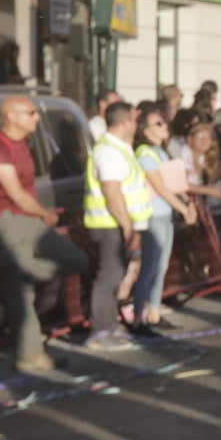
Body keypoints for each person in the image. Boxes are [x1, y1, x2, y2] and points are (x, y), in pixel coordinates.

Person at [0, 96, 92, 372]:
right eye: (31, 113)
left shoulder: (20, 143)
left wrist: (39, 215)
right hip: (8, 220)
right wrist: (44, 213)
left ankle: (23, 274)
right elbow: (14, 192)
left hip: (27, 219)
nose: (37, 117)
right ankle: (29, 354)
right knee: (20, 292)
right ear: (11, 116)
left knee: (77, 260)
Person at [83, 101, 155, 351]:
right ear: (125, 122)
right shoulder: (110, 151)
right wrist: (128, 228)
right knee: (110, 275)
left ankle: (109, 325)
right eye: (135, 120)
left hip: (118, 223)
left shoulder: (120, 148)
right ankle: (100, 331)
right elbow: (112, 192)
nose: (137, 125)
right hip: (109, 224)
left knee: (116, 275)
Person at [132, 105, 197, 335]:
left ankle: (154, 312)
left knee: (161, 266)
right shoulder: (144, 153)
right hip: (153, 215)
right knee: (150, 266)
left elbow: (174, 183)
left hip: (164, 215)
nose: (164, 127)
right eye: (157, 124)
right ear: (145, 129)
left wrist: (186, 204)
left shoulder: (161, 152)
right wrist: (184, 208)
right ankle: (139, 317)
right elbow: (160, 187)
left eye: (164, 122)